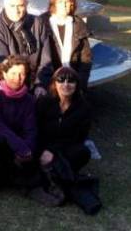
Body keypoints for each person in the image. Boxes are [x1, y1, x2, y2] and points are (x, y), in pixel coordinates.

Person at [35, 67, 99, 212]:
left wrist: (52, 151)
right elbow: (35, 131)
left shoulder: (84, 108)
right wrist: (43, 150)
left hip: (62, 149)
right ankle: (60, 180)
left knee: (82, 152)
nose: (66, 84)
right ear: (54, 83)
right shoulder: (44, 102)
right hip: (41, 147)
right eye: (61, 80)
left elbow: (78, 138)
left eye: (71, 81)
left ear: (77, 84)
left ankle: (51, 177)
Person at [0, 55, 37, 199]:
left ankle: (16, 173)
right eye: (13, 73)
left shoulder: (29, 99)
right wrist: (20, 147)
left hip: (17, 141)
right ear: (4, 73)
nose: (17, 78)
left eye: (22, 74)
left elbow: (31, 128)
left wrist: (28, 149)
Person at [0, 0, 52, 96]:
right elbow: (3, 62)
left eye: (20, 5)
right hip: (12, 81)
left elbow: (46, 59)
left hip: (36, 79)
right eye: (12, 6)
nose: (16, 10)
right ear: (5, 6)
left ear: (26, 5)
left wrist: (40, 84)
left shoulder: (37, 23)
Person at [41, 0, 92, 90]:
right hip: (48, 80)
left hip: (72, 80)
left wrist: (81, 84)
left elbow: (85, 58)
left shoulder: (78, 24)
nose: (64, 5)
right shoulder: (41, 23)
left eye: (67, 1)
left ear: (71, 4)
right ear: (53, 4)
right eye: (60, 2)